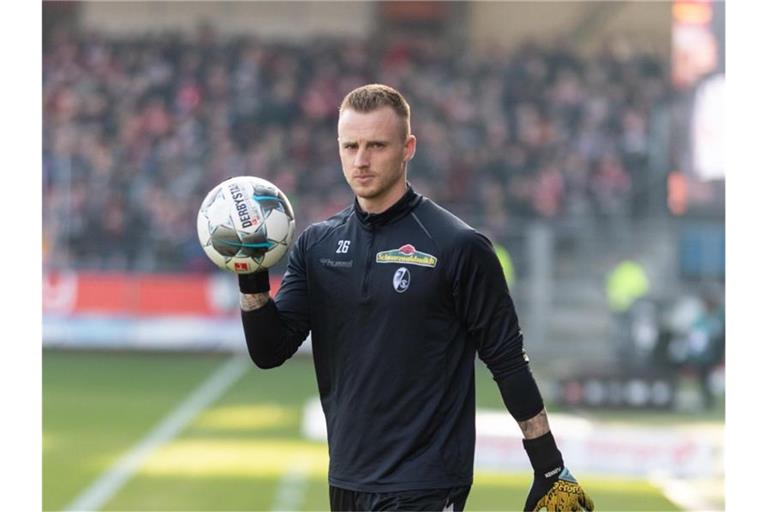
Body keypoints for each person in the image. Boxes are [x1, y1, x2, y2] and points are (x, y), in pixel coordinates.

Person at [238, 84, 593, 511]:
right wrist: (250, 271)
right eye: (350, 146)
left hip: (427, 481)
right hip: (349, 478)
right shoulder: (318, 245)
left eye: (376, 145)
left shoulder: (458, 246)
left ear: (408, 148)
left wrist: (549, 467)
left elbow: (507, 360)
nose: (361, 159)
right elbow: (269, 349)